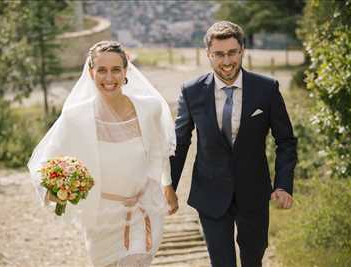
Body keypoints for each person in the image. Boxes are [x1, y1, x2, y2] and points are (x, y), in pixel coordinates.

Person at [28, 41, 177, 267]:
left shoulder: (150, 108)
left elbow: (159, 151)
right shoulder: (74, 117)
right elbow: (44, 163)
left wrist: (167, 185)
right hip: (100, 218)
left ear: (126, 71)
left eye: (116, 69)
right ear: (91, 72)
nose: (110, 78)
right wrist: (56, 190)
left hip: (143, 209)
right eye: (102, 70)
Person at [164, 21, 297, 267]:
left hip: (254, 194)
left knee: (252, 260)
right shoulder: (191, 91)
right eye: (219, 54)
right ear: (208, 54)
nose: (227, 61)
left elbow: (286, 141)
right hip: (210, 194)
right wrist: (169, 185)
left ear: (242, 50)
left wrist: (283, 185)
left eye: (232, 53)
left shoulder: (266, 89)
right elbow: (180, 141)